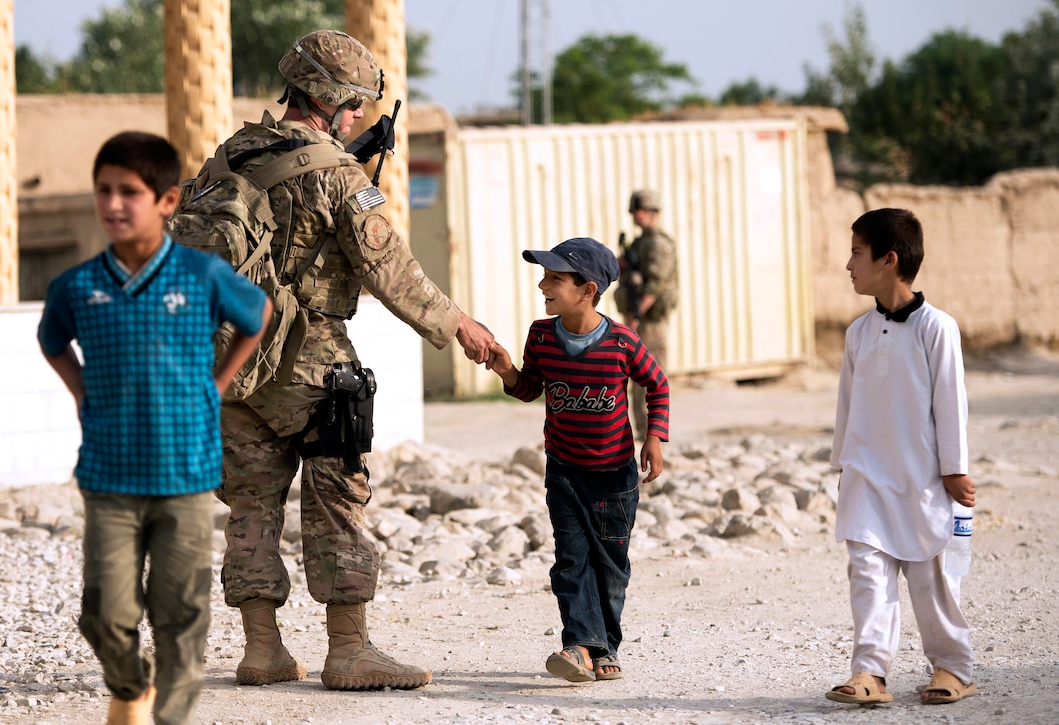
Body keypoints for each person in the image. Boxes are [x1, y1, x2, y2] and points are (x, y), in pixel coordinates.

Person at [210, 29, 494, 692]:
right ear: (330, 98)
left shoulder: (228, 157)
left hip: (229, 358)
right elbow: (388, 268)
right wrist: (460, 326)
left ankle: (262, 649)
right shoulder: (336, 175)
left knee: (250, 501)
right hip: (310, 358)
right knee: (338, 494)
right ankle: (349, 649)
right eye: (356, 104)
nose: (361, 116)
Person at [37, 131, 272, 725]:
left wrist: (217, 386)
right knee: (104, 613)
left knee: (180, 616)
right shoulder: (77, 286)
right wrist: (81, 392)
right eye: (104, 191)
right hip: (109, 477)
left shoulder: (200, 276)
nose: (114, 204)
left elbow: (258, 313)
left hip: (187, 475)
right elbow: (51, 340)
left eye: (130, 193)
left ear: (168, 201)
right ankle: (129, 685)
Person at [486, 236, 669, 683]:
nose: (542, 285)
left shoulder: (623, 342)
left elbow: (657, 384)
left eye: (554, 278)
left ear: (587, 290)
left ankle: (604, 647)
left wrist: (655, 439)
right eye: (544, 276)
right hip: (564, 472)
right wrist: (506, 368)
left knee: (610, 566)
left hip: (614, 478)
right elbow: (530, 388)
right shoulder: (541, 335)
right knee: (570, 560)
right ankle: (579, 646)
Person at [826, 208, 977, 707]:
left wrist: (954, 469)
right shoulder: (859, 333)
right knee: (867, 575)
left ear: (889, 261)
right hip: (867, 476)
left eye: (856, 253)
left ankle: (953, 666)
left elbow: (950, 401)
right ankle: (870, 672)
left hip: (924, 479)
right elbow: (847, 405)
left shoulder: (938, 328)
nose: (848, 264)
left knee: (930, 579)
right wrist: (843, 465)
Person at [614, 189, 678, 438]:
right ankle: (641, 433)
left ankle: (654, 436)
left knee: (651, 379)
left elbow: (655, 285)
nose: (636, 216)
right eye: (635, 211)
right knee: (636, 381)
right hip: (638, 319)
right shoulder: (640, 243)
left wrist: (635, 317)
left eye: (641, 211)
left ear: (654, 213)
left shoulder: (658, 244)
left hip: (649, 321)